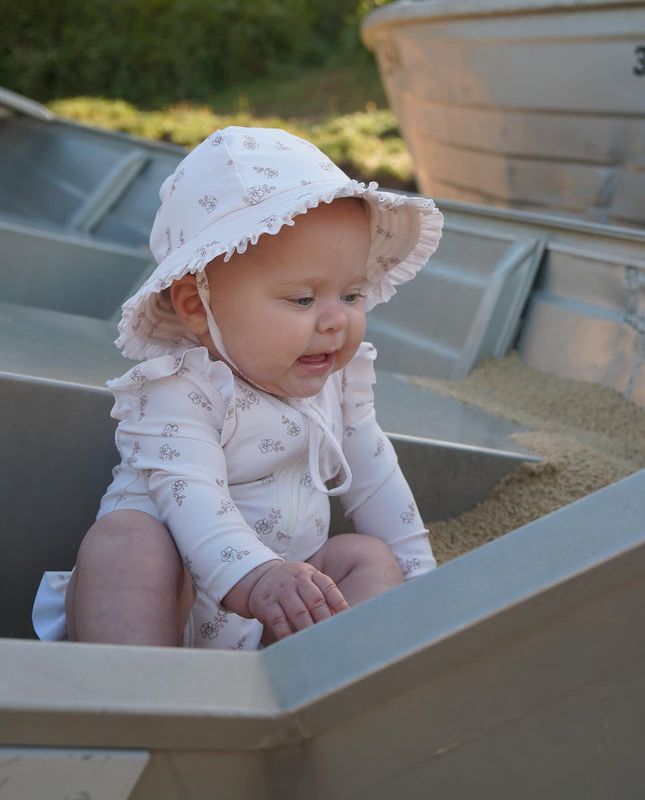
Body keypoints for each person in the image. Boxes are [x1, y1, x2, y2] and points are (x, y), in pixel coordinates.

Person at [32, 126, 443, 650]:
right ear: (196, 307)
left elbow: (374, 473)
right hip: (171, 613)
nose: (336, 320)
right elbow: (194, 499)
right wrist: (257, 575)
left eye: (352, 294)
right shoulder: (180, 392)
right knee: (125, 542)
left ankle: (320, 688)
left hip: (275, 611)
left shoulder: (335, 383)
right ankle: (137, 709)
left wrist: (424, 581)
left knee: (367, 558)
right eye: (301, 299)